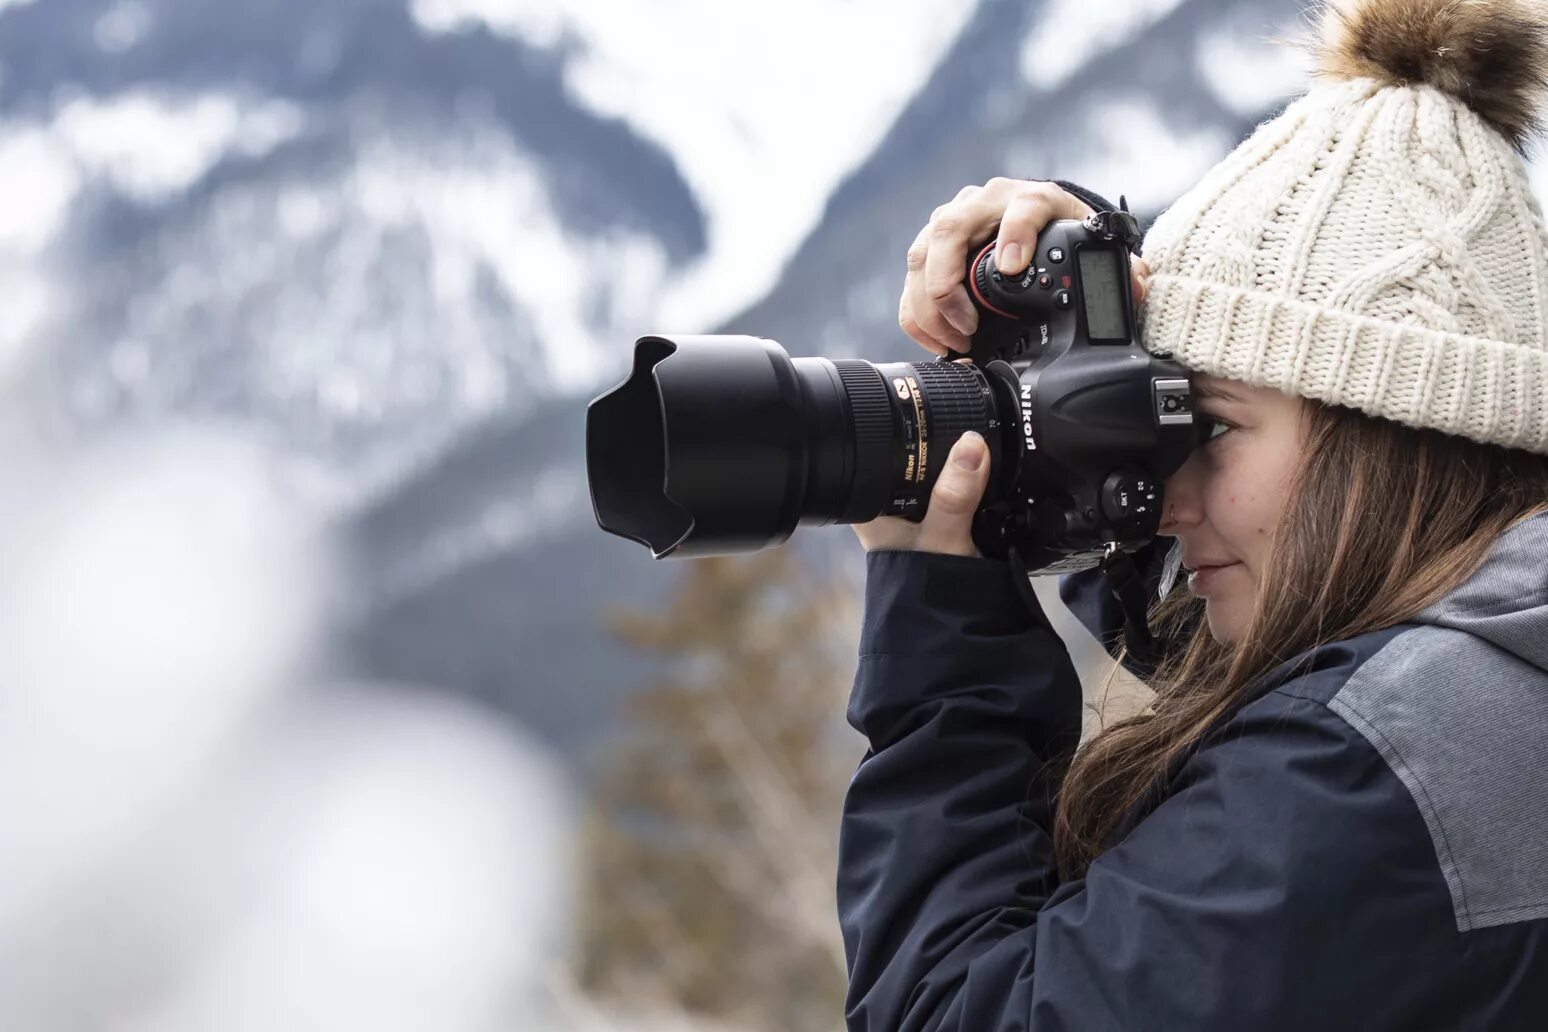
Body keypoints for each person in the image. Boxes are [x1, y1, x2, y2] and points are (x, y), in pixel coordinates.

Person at [838, 0, 1548, 1028]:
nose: (1168, 503)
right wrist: (1066, 354)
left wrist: (941, 649)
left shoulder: (1373, 772)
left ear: (1390, 431)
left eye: (1204, 425)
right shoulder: (1492, 684)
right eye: (1155, 424)